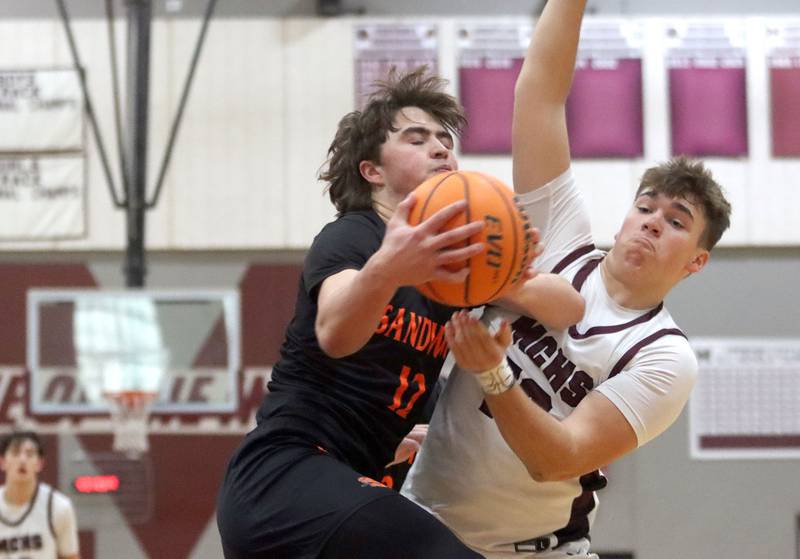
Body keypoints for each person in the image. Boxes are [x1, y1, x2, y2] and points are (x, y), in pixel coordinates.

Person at [401, 2, 733, 558]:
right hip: (421, 522)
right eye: (646, 207)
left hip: (531, 549)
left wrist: (493, 375)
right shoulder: (560, 238)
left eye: (675, 222)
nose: (652, 222)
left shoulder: (663, 357)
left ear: (695, 262)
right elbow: (539, 96)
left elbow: (558, 457)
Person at [216, 68, 584, 559]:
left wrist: (511, 275)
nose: (440, 149)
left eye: (444, 140)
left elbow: (570, 307)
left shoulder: (453, 270)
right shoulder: (354, 236)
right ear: (372, 171)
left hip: (350, 481)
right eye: (417, 139)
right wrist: (387, 269)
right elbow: (335, 333)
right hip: (284, 474)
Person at [0, 431, 80, 559]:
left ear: (39, 464)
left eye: (29, 454)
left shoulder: (59, 507)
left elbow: (70, 556)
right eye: (15, 453)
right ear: (3, 462)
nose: (22, 459)